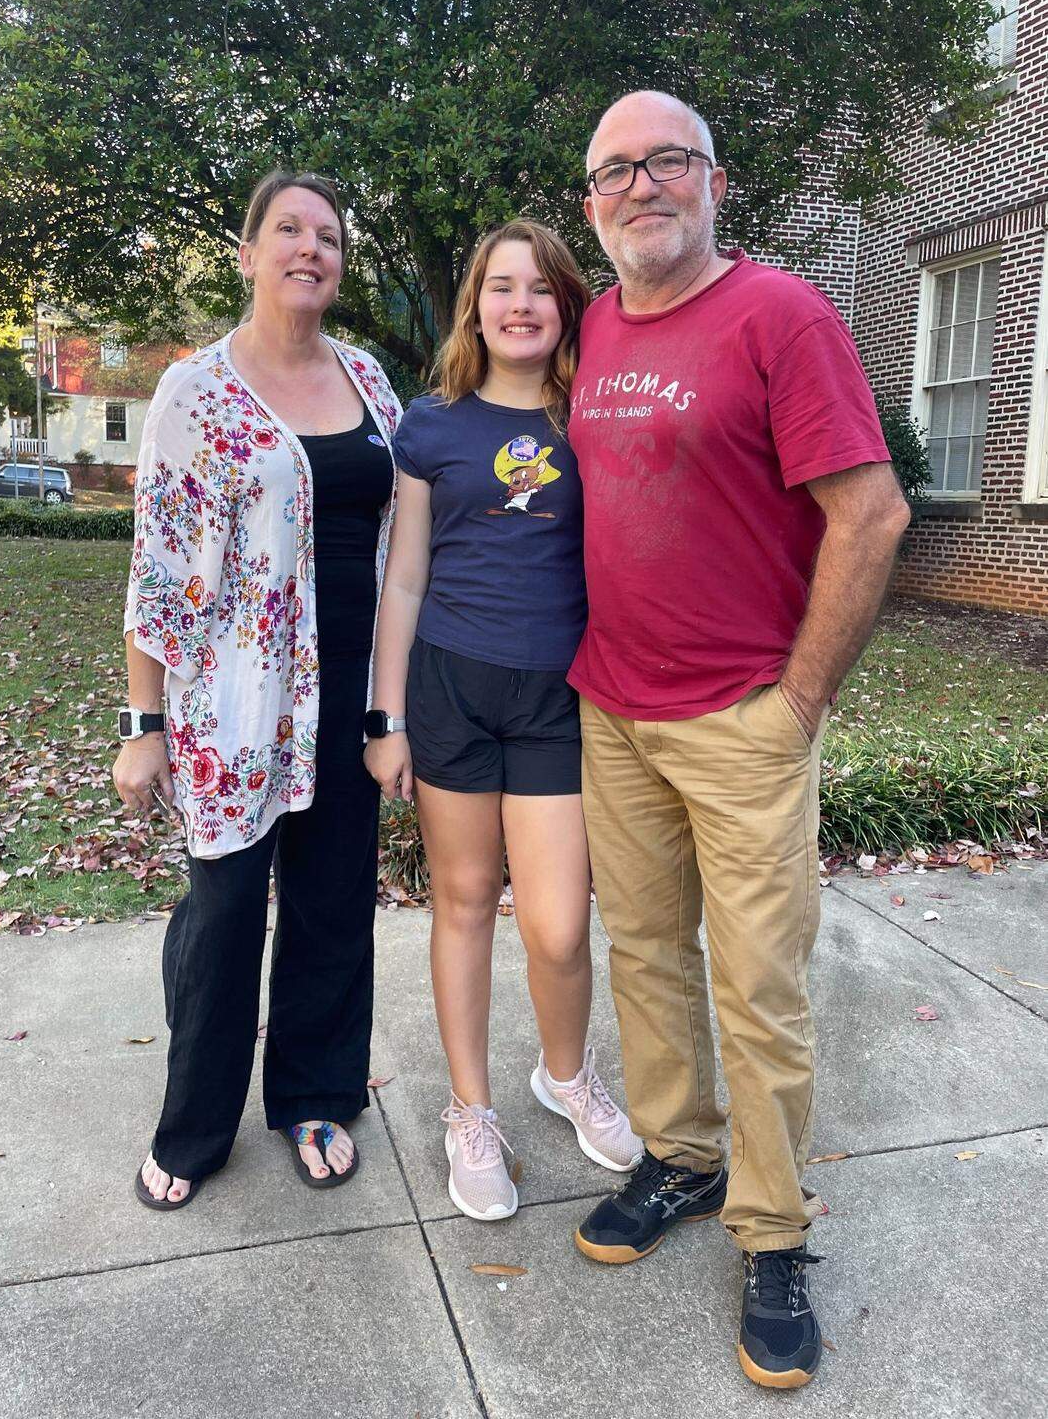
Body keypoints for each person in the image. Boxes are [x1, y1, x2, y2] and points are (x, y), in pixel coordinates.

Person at [568, 93, 910, 1387]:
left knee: (758, 987)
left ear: (716, 182)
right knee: (647, 953)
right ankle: (682, 1157)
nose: (641, 185)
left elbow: (871, 513)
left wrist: (800, 701)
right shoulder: (600, 326)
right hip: (615, 710)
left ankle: (771, 1229)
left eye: (668, 160)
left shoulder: (782, 315)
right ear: (592, 203)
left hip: (742, 721)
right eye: (616, 170)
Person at [113, 169, 402, 1207]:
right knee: (227, 909)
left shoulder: (371, 380)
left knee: (332, 903)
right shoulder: (194, 392)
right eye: (287, 228)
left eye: (327, 235)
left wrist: (394, 704)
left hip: (351, 695)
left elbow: (403, 542)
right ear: (247, 253)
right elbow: (156, 568)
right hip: (234, 702)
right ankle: (195, 1127)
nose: (309, 247)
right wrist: (144, 723)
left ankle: (317, 1095)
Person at [364, 220, 641, 1223]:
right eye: (500, 286)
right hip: (450, 689)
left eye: (539, 288)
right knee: (468, 899)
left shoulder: (593, 414)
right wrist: (386, 716)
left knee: (560, 925)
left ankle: (565, 1075)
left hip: (556, 696)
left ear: (567, 305)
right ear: (474, 306)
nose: (519, 304)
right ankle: (471, 1112)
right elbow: (404, 577)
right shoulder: (430, 425)